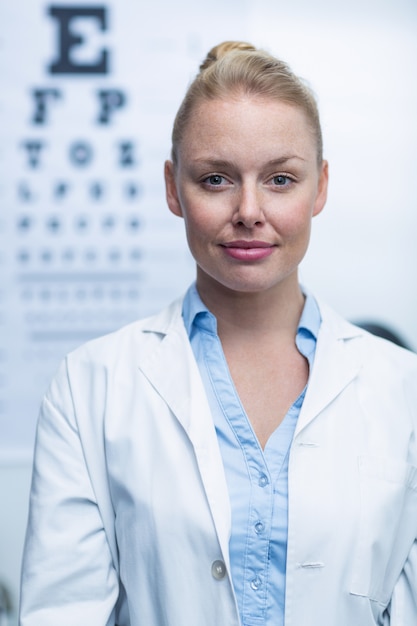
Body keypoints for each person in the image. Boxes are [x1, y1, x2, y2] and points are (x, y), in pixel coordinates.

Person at [19, 41, 417, 626]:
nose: (249, 210)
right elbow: (63, 613)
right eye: (215, 180)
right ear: (173, 188)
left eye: (281, 179)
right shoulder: (91, 386)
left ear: (321, 187)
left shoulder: (402, 388)